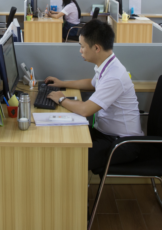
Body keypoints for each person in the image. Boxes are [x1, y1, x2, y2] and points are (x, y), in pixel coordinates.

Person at [44, 20, 144, 171]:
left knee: (70, 157)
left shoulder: (114, 76)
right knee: (66, 137)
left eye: (82, 46)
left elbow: (85, 110)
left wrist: (61, 99)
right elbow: (92, 84)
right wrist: (62, 83)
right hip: (106, 134)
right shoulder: (107, 64)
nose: (80, 50)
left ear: (96, 48)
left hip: (122, 144)